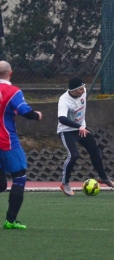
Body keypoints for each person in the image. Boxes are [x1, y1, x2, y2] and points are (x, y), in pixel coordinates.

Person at [0, 60, 42, 229]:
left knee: (1, 184)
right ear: (10, 73)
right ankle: (10, 221)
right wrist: (37, 115)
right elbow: (25, 111)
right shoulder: (13, 92)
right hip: (7, 141)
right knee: (19, 177)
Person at [57, 77, 114, 196]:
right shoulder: (64, 100)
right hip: (67, 131)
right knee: (73, 155)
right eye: (80, 89)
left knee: (95, 150)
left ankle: (103, 177)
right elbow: (62, 118)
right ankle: (65, 184)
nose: (84, 91)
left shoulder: (83, 93)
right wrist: (77, 126)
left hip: (81, 128)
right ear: (73, 90)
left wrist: (81, 126)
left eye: (84, 88)